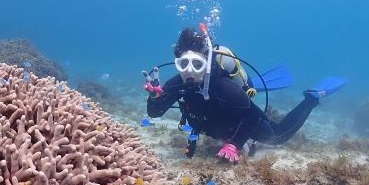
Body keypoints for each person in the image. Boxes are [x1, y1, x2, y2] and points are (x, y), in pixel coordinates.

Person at [144, 25, 346, 162]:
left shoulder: (223, 86)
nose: (189, 70)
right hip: (218, 125)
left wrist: (235, 144)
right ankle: (251, 89)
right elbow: (154, 113)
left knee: (277, 137)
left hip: (242, 118)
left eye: (197, 64)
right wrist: (155, 97)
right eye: (183, 64)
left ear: (206, 64)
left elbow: (249, 116)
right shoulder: (177, 83)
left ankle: (311, 99)